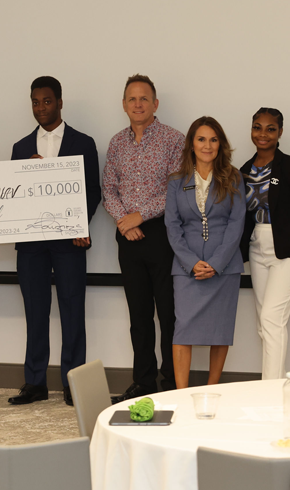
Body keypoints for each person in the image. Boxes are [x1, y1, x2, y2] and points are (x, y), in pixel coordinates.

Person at [8, 77, 101, 407]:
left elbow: (93, 192)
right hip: (32, 245)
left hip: (69, 244)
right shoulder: (21, 148)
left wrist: (80, 225)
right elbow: (13, 197)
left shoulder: (83, 142)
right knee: (35, 312)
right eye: (35, 102)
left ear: (60, 102)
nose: (40, 108)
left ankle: (73, 382)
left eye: (47, 101)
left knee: (72, 310)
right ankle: (34, 382)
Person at [103, 74, 184, 403]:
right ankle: (144, 381)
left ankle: (171, 381)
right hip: (127, 236)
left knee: (168, 312)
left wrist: (141, 215)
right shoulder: (116, 142)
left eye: (144, 99)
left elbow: (177, 189)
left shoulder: (173, 139)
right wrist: (124, 221)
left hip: (162, 234)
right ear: (124, 105)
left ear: (155, 104)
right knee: (138, 314)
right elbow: (108, 188)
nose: (138, 104)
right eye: (132, 99)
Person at [165, 116, 244, 388]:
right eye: (201, 139)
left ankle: (212, 390)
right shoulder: (177, 181)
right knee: (182, 330)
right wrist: (191, 262)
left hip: (225, 269)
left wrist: (217, 263)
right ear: (191, 144)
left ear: (220, 144)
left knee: (220, 332)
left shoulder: (233, 178)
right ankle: (181, 394)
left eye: (213, 139)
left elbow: (236, 223)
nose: (207, 145)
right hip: (187, 270)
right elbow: (172, 226)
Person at [240, 108, 290, 380]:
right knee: (265, 323)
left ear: (280, 132)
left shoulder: (288, 166)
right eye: (257, 127)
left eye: (270, 129)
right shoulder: (245, 170)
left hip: (285, 250)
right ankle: (278, 387)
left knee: (272, 319)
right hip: (256, 246)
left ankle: (269, 393)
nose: (263, 134)